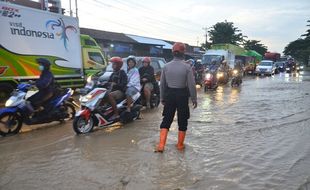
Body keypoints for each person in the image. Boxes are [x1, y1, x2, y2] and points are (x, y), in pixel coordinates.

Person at [155, 42, 197, 153]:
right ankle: (179, 145)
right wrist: (194, 99)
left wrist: (162, 98)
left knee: (166, 119)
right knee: (182, 120)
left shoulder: (166, 66)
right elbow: (191, 85)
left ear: (173, 53)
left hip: (169, 95)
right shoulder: (187, 67)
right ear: (183, 53)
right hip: (182, 95)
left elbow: (162, 85)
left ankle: (161, 145)